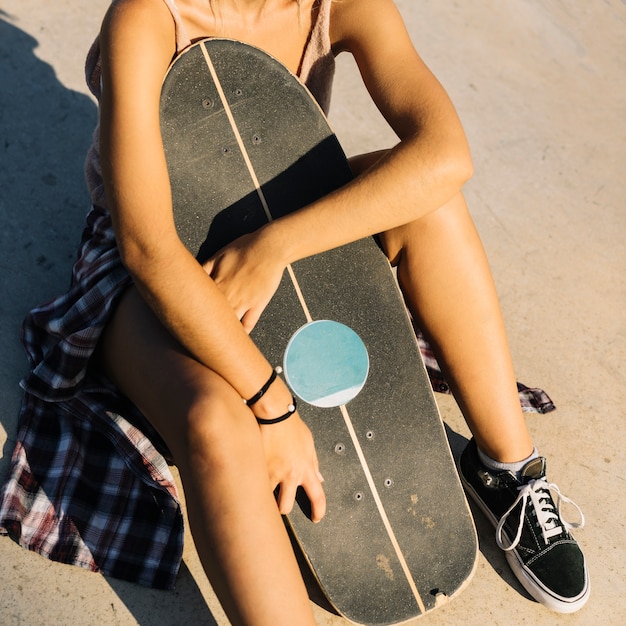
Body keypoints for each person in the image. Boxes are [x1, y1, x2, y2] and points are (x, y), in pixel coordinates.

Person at [0, 0, 588, 623]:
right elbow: (147, 248)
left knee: (432, 205)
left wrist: (273, 247)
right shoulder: (147, 18)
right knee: (216, 422)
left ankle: (507, 472)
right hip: (156, 268)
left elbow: (445, 155)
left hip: (284, 231)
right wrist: (272, 408)